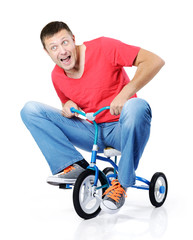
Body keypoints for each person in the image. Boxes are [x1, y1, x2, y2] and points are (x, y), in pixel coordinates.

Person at [20, 21, 165, 213]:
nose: (62, 51)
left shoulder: (103, 47)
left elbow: (154, 61)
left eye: (64, 42)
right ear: (47, 53)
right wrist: (67, 106)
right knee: (30, 110)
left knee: (137, 106)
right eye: (54, 47)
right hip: (93, 132)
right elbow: (69, 103)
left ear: (73, 40)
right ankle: (74, 165)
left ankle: (121, 183)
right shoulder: (57, 76)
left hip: (124, 127)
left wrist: (125, 93)